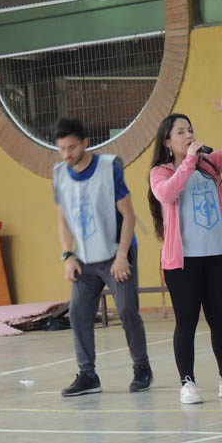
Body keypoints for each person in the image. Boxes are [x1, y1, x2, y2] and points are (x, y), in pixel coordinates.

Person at [148, 97, 222, 405]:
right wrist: (189, 162)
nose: (188, 135)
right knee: (187, 322)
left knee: (220, 319)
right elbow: (167, 194)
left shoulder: (210, 165)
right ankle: (187, 383)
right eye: (180, 132)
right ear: (167, 142)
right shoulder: (161, 172)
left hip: (215, 256)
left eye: (190, 130)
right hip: (182, 264)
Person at [52, 118, 152, 396]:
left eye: (72, 147)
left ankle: (141, 367)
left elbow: (129, 216)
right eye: (62, 149)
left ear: (85, 143)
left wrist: (122, 256)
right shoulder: (60, 174)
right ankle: (88, 375)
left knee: (127, 310)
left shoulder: (108, 169)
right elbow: (62, 220)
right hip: (84, 258)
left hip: (116, 252)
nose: (67, 154)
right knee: (78, 314)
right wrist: (68, 255)